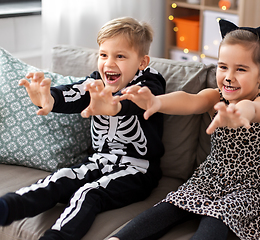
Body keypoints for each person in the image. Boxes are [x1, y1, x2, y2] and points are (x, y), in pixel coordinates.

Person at [108, 19, 260, 240]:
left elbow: (257, 110)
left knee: (216, 217)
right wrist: (157, 102)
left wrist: (242, 114)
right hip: (211, 177)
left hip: (250, 186)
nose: (228, 76)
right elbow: (189, 100)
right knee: (171, 204)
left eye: (240, 69)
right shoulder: (215, 97)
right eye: (223, 67)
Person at [0, 17, 166, 240]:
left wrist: (114, 106)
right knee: (58, 179)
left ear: (142, 62)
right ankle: (6, 208)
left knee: (88, 193)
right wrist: (49, 98)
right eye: (104, 55)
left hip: (138, 169)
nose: (109, 63)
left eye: (120, 56)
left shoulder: (150, 81)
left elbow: (139, 101)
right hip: (99, 160)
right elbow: (74, 92)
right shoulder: (98, 81)